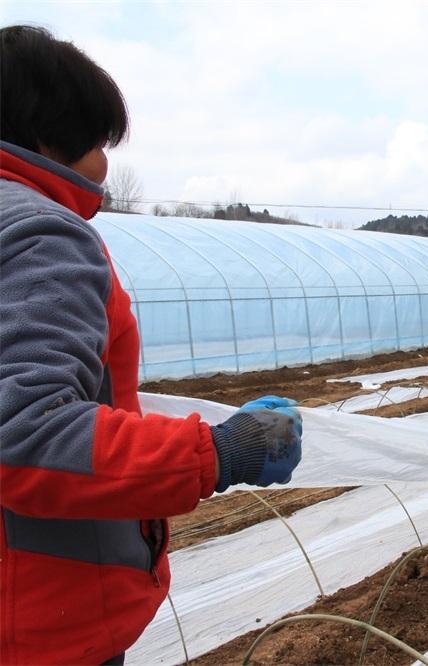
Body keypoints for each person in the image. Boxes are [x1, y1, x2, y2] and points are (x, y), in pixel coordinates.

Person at [0, 26, 303, 664]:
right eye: (102, 140)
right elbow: (26, 431)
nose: (106, 163)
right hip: (39, 617)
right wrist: (221, 447)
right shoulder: (41, 234)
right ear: (51, 132)